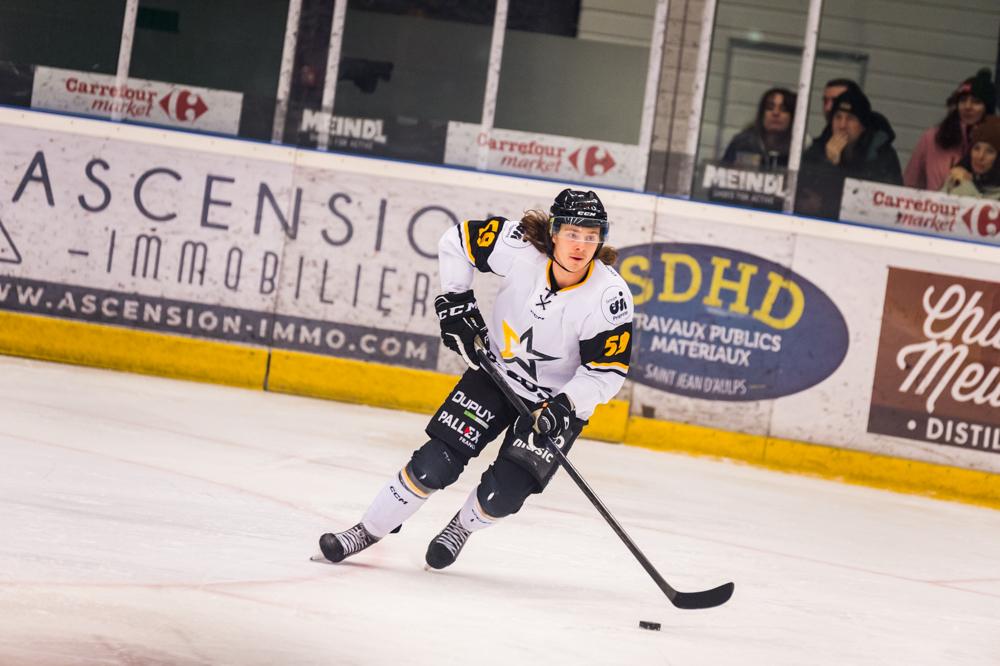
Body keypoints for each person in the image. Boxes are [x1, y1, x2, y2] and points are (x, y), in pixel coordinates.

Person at [316, 189, 634, 569]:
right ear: (554, 232)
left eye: (590, 236)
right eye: (572, 234)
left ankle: (461, 527)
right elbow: (457, 240)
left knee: (504, 495)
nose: (581, 245)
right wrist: (456, 301)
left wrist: (565, 405)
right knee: (434, 464)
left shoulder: (609, 297)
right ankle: (365, 531)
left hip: (553, 403)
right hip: (495, 376)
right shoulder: (520, 247)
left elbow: (607, 371)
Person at [797, 87, 903, 219]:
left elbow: (885, 201)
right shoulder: (817, 148)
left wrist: (836, 170)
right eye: (838, 117)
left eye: (850, 118)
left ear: (863, 126)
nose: (842, 125)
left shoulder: (882, 154)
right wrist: (828, 163)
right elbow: (804, 194)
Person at [905, 69, 996, 192]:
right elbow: (910, 184)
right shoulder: (932, 137)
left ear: (987, 108)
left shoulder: (996, 143)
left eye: (976, 102)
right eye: (963, 100)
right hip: (933, 203)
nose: (968, 106)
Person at [721, 87, 797, 169]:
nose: (775, 113)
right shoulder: (743, 143)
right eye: (770, 108)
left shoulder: (798, 149)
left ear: (792, 117)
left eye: (783, 109)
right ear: (762, 114)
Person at [940, 115, 1000, 199]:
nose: (980, 156)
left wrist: (968, 185)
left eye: (990, 151)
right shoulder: (956, 179)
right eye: (976, 148)